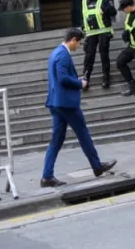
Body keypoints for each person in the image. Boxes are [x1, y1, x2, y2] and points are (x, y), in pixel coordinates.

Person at [41, 29, 116, 187]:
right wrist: (80, 83)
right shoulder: (63, 55)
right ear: (73, 40)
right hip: (66, 104)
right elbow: (62, 79)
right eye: (79, 42)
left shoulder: (55, 52)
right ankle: (97, 167)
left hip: (56, 103)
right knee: (83, 134)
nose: (79, 45)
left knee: (56, 140)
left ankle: (47, 176)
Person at [81, 0, 117, 90]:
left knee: (103, 55)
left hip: (103, 32)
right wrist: (82, 28)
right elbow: (83, 17)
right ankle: (86, 78)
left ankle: (106, 77)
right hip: (91, 33)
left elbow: (113, 12)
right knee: (89, 56)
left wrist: (105, 9)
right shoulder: (84, 1)